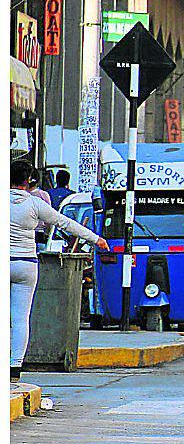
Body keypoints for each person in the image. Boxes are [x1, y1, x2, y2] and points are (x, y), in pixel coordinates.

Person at [10, 160, 108, 382]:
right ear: (29, 181)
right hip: (26, 265)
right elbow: (66, 223)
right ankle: (14, 367)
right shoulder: (35, 204)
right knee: (21, 318)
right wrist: (96, 239)